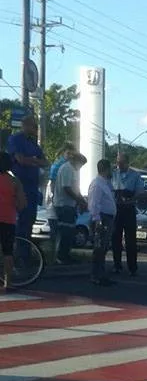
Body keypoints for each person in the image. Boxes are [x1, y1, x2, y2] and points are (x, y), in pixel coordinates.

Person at [6, 116, 48, 254]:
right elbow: (20, 160)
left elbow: (44, 162)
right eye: (33, 126)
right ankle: (16, 253)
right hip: (19, 183)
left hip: (32, 186)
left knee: (30, 219)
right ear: (25, 125)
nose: (35, 129)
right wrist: (34, 160)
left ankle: (26, 253)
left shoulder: (33, 142)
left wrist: (31, 160)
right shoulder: (15, 139)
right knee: (20, 220)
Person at [53, 152, 87, 264]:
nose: (81, 167)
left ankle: (66, 254)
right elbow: (66, 188)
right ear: (75, 161)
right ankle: (61, 256)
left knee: (70, 231)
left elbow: (76, 189)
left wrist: (82, 201)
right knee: (65, 231)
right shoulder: (67, 168)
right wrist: (78, 200)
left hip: (71, 205)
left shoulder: (75, 171)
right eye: (81, 164)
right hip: (63, 204)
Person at [111, 153, 143, 276]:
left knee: (130, 240)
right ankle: (117, 265)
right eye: (118, 162)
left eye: (122, 162)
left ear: (127, 163)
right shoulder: (113, 174)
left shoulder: (135, 175)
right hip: (116, 209)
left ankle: (132, 267)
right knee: (115, 238)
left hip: (129, 209)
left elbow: (140, 192)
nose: (119, 165)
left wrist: (131, 199)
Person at [0, 152, 27, 292]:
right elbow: (22, 204)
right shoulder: (15, 181)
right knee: (8, 252)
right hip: (8, 219)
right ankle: (7, 282)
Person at [87, 159, 116, 286]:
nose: (112, 171)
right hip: (101, 218)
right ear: (105, 169)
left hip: (108, 217)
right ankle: (96, 275)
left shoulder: (105, 183)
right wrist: (97, 220)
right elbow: (94, 204)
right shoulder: (97, 184)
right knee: (99, 248)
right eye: (110, 169)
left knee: (103, 248)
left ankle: (102, 274)